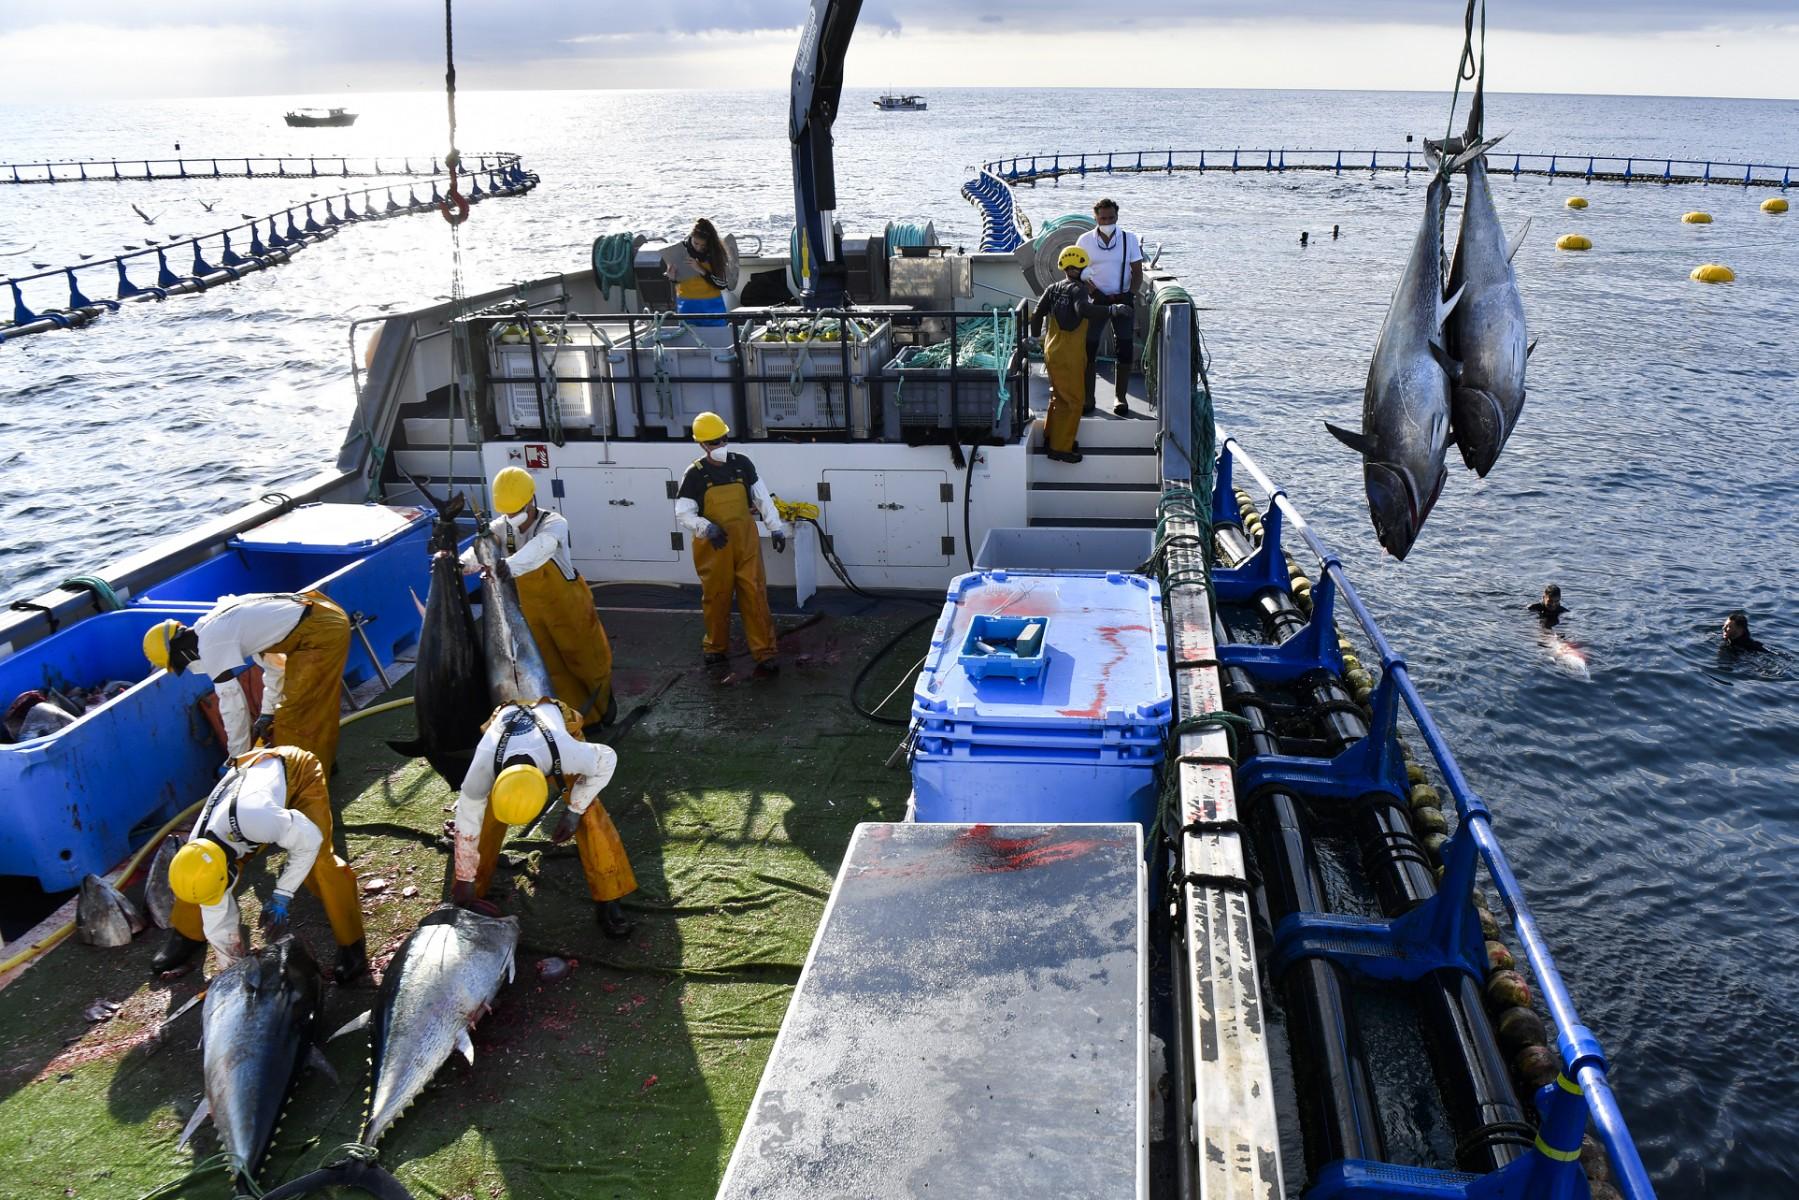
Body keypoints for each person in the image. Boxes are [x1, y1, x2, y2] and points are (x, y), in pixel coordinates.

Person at [155, 745, 367, 980]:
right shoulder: (197, 849)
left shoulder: (258, 820)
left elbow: (309, 840)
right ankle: (187, 933)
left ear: (230, 867)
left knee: (320, 862)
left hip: (297, 771)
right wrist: (232, 968)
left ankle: (352, 943)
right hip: (249, 790)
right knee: (196, 884)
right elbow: (215, 909)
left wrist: (282, 894)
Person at [451, 698, 636, 938]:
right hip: (504, 720)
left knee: (589, 812)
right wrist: (465, 877)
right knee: (482, 818)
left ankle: (610, 895)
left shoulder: (567, 752)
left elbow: (607, 758)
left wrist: (573, 811)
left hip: (556, 721)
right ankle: (473, 893)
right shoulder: (483, 766)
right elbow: (466, 821)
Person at [463, 467, 615, 729]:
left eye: (516, 509)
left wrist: (509, 565)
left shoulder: (554, 523)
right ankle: (576, 719)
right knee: (551, 666)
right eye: (506, 512)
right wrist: (460, 563)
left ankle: (604, 708)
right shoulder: (501, 527)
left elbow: (541, 548)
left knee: (588, 661)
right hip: (532, 611)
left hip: (570, 607)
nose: (511, 516)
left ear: (531, 498)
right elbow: (479, 550)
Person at [143, 590, 351, 776]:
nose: (187, 666)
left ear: (178, 648)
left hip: (320, 632)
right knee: (293, 712)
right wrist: (268, 713)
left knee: (295, 716)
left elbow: (233, 706)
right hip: (320, 611)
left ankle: (308, 783)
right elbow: (275, 666)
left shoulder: (211, 643)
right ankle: (323, 766)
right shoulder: (218, 622)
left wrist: (238, 758)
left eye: (180, 663)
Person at [674, 412, 788, 675]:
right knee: (716, 598)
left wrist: (776, 528)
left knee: (755, 595)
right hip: (714, 546)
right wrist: (706, 528)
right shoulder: (694, 475)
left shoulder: (743, 464)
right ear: (702, 445)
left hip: (745, 544)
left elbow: (761, 498)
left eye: (723, 439)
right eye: (714, 442)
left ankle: (765, 652)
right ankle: (715, 647)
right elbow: (683, 513)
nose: (720, 445)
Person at [1030, 245, 1131, 465]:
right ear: (1080, 269)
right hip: (1069, 353)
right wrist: (1113, 310)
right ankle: (1061, 448)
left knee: (1057, 396)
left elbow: (1037, 313)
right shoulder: (1079, 289)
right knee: (1074, 400)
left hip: (1051, 350)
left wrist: (1034, 336)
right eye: (1086, 267)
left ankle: (1051, 437)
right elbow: (1083, 310)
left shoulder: (1053, 287)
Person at [1075, 198, 1146, 417]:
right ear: (1095, 217)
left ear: (1117, 217)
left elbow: (1137, 272)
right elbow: (1076, 271)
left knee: (1124, 348)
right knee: (1089, 347)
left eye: (1111, 218)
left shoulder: (1129, 239)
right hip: (1096, 301)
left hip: (1122, 299)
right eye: (1103, 218)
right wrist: (1094, 292)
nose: (1107, 221)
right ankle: (1089, 396)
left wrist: (1129, 295)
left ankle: (1120, 397)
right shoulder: (1084, 241)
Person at [667, 218, 731, 327]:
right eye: (696, 243)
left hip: (711, 307)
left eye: (703, 246)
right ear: (691, 237)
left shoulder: (715, 253)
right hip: (686, 306)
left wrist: (701, 270)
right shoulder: (680, 250)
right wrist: (672, 277)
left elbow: (722, 284)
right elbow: (677, 281)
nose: (698, 248)